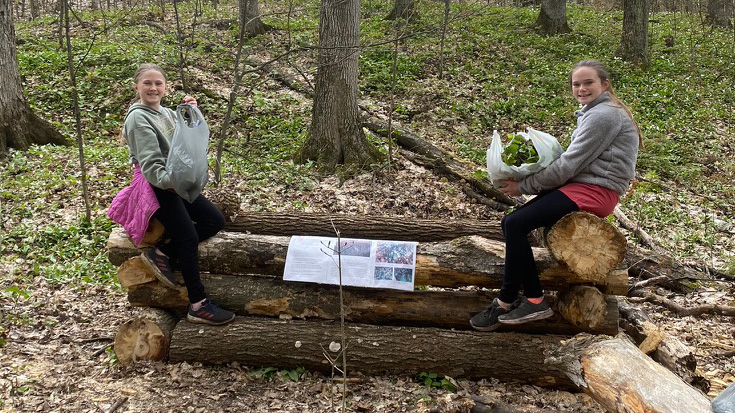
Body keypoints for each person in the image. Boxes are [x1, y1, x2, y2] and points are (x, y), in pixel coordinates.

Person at [470, 59, 642, 331]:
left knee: (515, 223)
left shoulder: (604, 115)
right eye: (577, 84)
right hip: (583, 186)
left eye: (588, 83)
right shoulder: (595, 112)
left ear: (605, 84)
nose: (581, 89)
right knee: (510, 222)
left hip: (596, 191)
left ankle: (528, 300)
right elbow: (571, 166)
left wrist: (524, 186)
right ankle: (508, 301)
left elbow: (568, 165)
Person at [121, 63, 234, 325]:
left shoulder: (167, 113)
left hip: (176, 181)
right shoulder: (138, 118)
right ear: (136, 86)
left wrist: (191, 113)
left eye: (158, 83)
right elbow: (151, 165)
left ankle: (162, 254)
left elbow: (186, 141)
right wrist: (172, 186)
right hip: (157, 185)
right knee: (188, 236)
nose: (153, 88)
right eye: (147, 83)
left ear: (166, 87)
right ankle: (198, 305)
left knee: (214, 220)